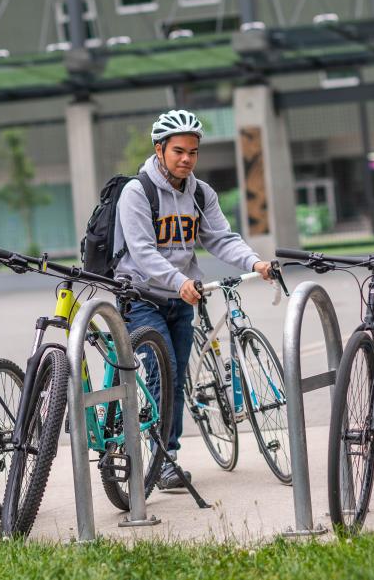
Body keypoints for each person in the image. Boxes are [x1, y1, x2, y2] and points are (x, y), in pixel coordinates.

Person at [114, 109, 274, 490]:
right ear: (160, 150)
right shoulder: (137, 193)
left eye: (193, 152)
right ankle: (162, 462)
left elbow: (220, 237)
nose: (187, 159)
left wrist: (256, 261)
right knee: (164, 368)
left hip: (180, 298)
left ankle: (165, 455)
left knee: (178, 374)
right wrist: (179, 279)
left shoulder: (200, 192)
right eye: (178, 151)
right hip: (140, 296)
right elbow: (141, 251)